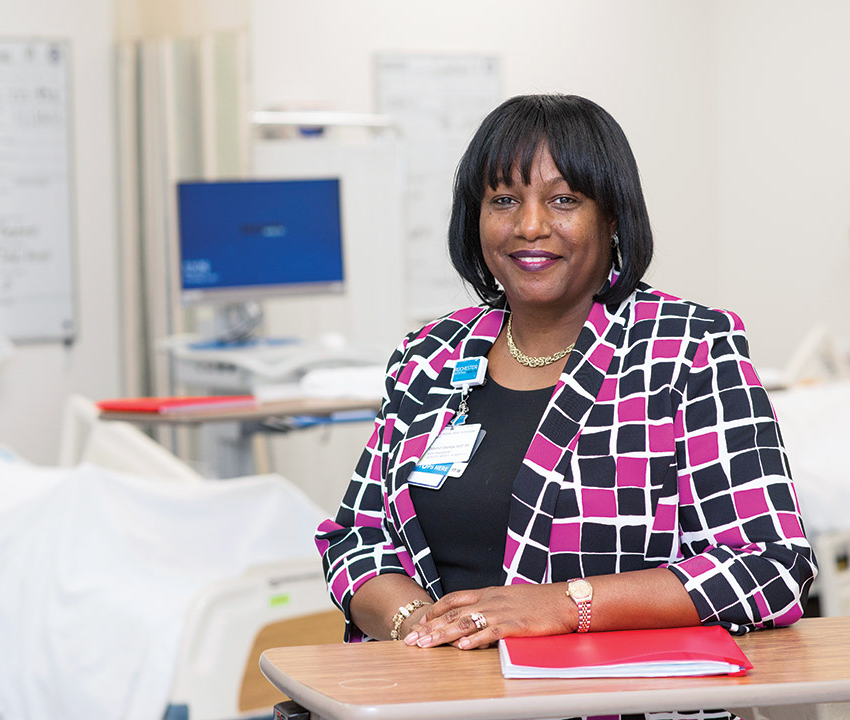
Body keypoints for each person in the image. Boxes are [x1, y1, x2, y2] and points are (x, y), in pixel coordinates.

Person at [315, 94, 815, 705]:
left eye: (562, 199)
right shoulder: (431, 355)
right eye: (503, 200)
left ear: (612, 217)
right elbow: (357, 541)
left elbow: (769, 568)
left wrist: (560, 606)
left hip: (616, 704)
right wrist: (421, 626)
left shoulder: (689, 347)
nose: (529, 226)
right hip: (435, 698)